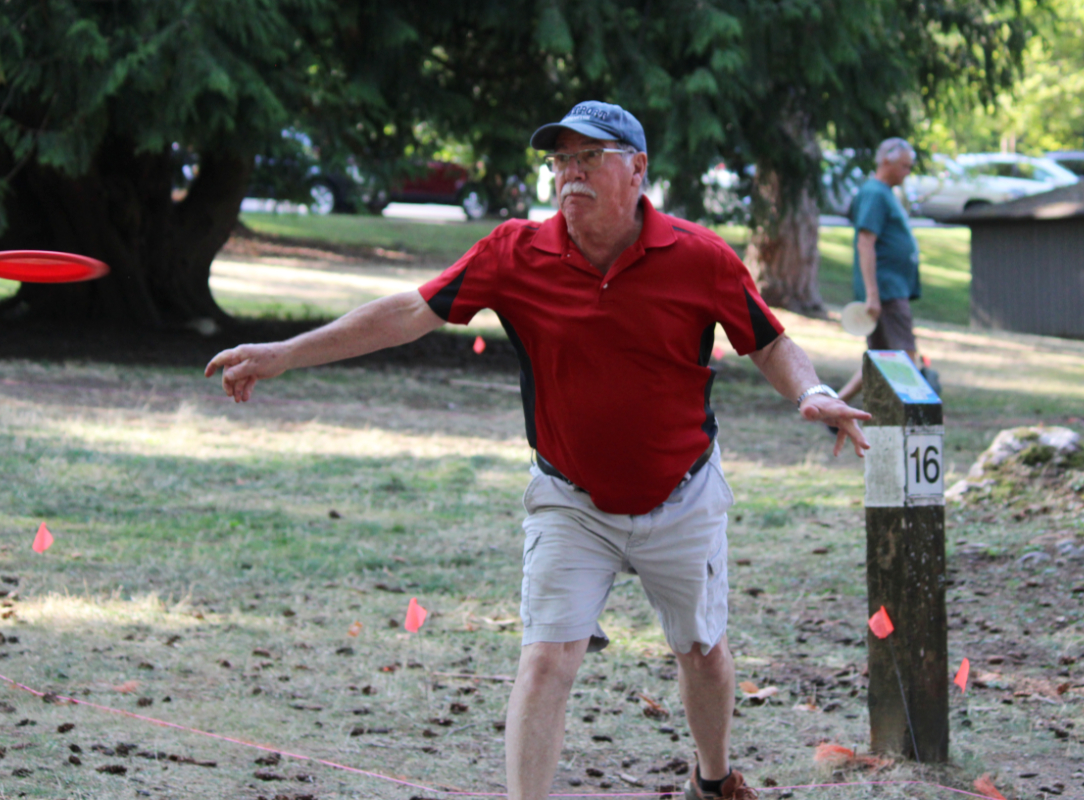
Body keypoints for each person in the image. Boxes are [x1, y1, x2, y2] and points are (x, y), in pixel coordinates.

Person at [206, 101, 871, 800]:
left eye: (590, 158)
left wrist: (810, 390)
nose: (570, 175)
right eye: (561, 161)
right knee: (548, 658)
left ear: (637, 169)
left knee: (702, 652)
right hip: (569, 499)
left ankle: (711, 777)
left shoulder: (698, 258)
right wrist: (284, 353)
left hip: (683, 493)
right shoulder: (514, 253)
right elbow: (407, 313)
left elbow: (766, 340)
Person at [837, 138, 938, 401]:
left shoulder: (884, 193)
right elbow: (865, 241)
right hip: (886, 290)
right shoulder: (874, 193)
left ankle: (834, 408)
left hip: (891, 288)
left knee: (882, 359)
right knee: (905, 357)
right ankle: (914, 416)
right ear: (885, 161)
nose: (908, 172)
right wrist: (872, 294)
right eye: (904, 166)